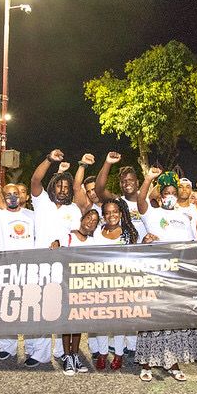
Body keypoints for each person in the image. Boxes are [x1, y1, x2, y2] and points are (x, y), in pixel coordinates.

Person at [134, 168, 197, 382]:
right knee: (152, 318)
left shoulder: (185, 215)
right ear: (160, 195)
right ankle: (146, 364)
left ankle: (172, 362)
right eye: (166, 193)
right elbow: (140, 200)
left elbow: (193, 243)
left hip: (179, 275)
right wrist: (148, 178)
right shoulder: (152, 214)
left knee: (174, 319)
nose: (170, 196)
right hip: (156, 274)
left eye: (174, 192)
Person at [29, 149, 89, 368]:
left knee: (63, 310)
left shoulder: (73, 209)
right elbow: (36, 179)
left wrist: (61, 244)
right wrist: (49, 160)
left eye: (66, 188)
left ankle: (63, 352)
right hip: (40, 266)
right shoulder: (41, 201)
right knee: (42, 309)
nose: (62, 190)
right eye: (59, 186)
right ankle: (41, 353)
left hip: (64, 267)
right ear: (52, 186)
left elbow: (76, 236)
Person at [0, 158, 37, 363]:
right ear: (3, 198)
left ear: (21, 197)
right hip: (6, 271)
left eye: (15, 194)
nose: (12, 197)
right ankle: (7, 347)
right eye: (8, 195)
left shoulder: (32, 215)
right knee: (7, 309)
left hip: (30, 271)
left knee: (31, 311)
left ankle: (34, 349)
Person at [94, 151, 149, 355]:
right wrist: (107, 162)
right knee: (120, 304)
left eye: (131, 180)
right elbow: (99, 190)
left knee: (137, 305)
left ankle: (134, 344)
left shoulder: (148, 201)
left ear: (137, 181)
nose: (127, 183)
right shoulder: (119, 202)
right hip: (121, 261)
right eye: (124, 180)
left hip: (143, 259)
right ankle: (119, 344)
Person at [93, 197, 142, 371]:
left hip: (122, 283)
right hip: (100, 283)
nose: (111, 215)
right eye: (107, 213)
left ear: (120, 213)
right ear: (103, 216)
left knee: (119, 321)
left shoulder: (129, 233)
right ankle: (103, 353)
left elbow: (136, 258)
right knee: (101, 321)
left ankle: (119, 354)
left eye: (115, 212)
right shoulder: (97, 232)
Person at [55, 208, 101, 375]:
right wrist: (55, 245)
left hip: (83, 286)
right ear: (82, 218)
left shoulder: (93, 242)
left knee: (78, 322)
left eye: (95, 221)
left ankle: (75, 354)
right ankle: (66, 356)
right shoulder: (67, 236)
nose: (90, 222)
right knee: (67, 322)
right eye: (89, 218)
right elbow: (56, 252)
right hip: (66, 285)